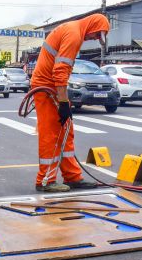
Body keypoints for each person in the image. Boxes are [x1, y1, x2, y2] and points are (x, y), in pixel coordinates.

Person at [31, 13, 109, 192]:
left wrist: (63, 101)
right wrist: (64, 102)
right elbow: (60, 71)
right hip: (46, 87)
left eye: (98, 37)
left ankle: (72, 177)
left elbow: (60, 70)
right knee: (51, 133)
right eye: (96, 35)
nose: (94, 39)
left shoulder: (73, 31)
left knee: (66, 131)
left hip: (51, 87)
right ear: (92, 27)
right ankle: (45, 181)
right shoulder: (74, 34)